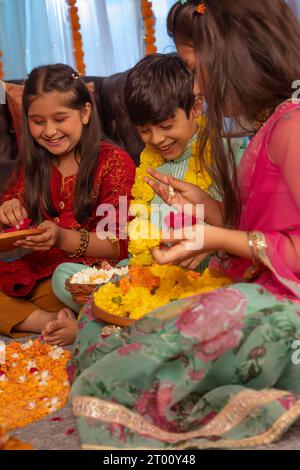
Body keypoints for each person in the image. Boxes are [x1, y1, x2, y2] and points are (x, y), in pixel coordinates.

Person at [70, 0, 300, 448]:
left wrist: (213, 237)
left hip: (286, 302)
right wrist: (207, 211)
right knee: (102, 324)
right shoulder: (271, 125)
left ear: (238, 54)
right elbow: (265, 223)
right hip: (252, 281)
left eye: (198, 69)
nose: (196, 88)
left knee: (137, 364)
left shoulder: (293, 127)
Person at [52, 53, 248, 311]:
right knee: (63, 276)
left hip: (201, 275)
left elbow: (253, 230)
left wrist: (214, 246)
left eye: (167, 125)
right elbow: (134, 239)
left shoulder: (229, 153)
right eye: (144, 130)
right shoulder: (148, 166)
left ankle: (108, 318)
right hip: (148, 274)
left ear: (196, 108)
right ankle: (128, 314)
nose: (156, 139)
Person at [0, 63, 135, 346]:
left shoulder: (113, 162)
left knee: (69, 285)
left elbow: (119, 243)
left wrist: (63, 238)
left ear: (85, 113)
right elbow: (14, 212)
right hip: (38, 272)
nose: (49, 131)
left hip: (86, 275)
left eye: (60, 119)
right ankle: (46, 321)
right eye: (38, 122)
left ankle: (82, 322)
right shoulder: (37, 164)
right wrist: (8, 209)